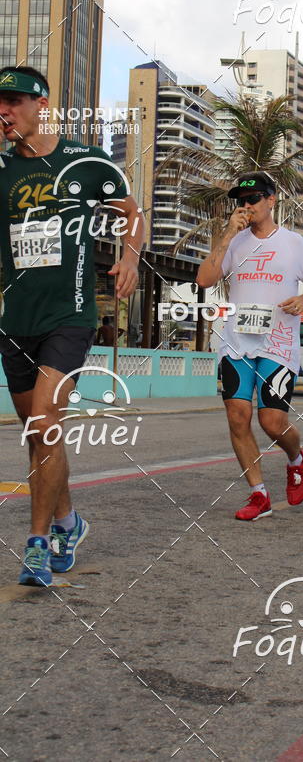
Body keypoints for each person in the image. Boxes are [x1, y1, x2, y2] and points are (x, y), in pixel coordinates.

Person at [0, 65, 143, 586]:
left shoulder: (80, 162)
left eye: (15, 102)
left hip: (69, 316)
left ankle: (36, 544)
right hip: (14, 321)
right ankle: (68, 522)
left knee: (42, 425)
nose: (6, 111)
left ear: (42, 105)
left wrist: (128, 258)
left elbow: (131, 211)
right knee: (41, 437)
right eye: (0, 103)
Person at [196, 171, 303, 521]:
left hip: (278, 345)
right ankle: (259, 494)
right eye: (242, 201)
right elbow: (204, 279)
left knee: (272, 421)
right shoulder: (235, 242)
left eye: (254, 199)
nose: (247, 205)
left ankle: (297, 459)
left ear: (271, 200)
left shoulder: (293, 243)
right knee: (237, 417)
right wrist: (227, 233)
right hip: (237, 342)